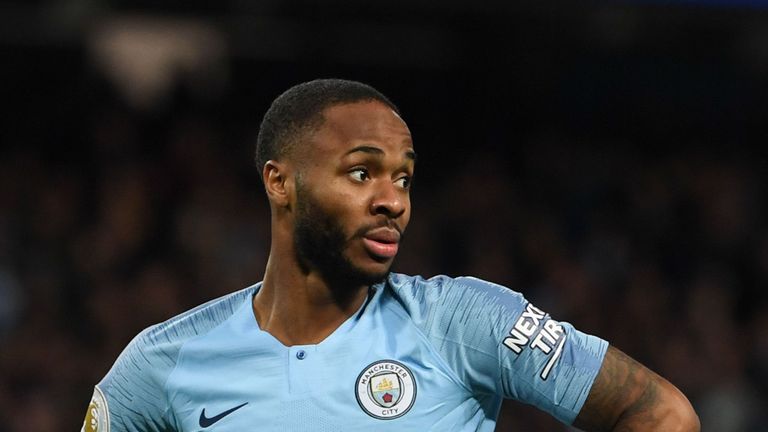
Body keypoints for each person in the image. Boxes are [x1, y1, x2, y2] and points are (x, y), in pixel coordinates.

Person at [82, 79, 700, 431]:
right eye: (360, 174)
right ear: (280, 182)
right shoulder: (163, 364)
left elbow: (660, 414)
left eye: (403, 179)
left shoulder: (463, 322)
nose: (392, 202)